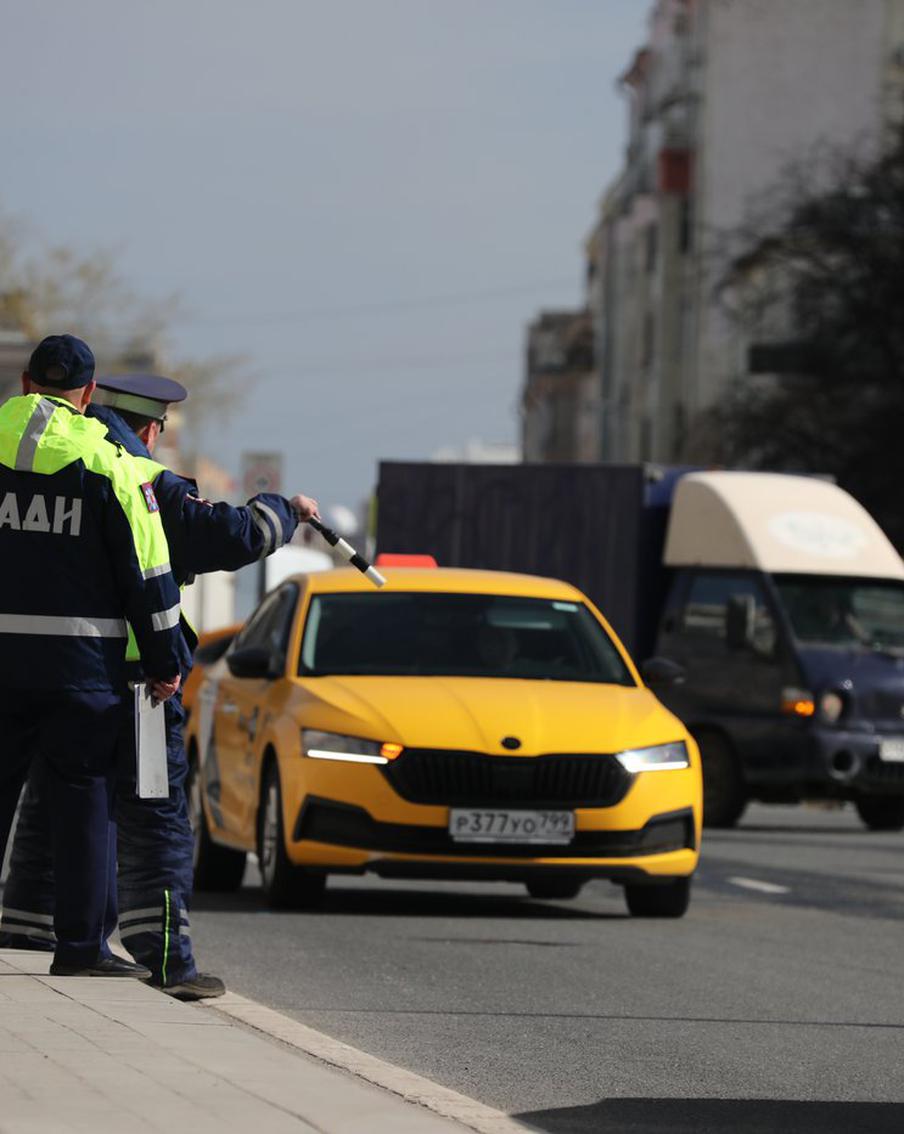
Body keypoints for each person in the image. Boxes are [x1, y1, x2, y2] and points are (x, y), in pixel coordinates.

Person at [1, 371, 319, 999]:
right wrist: (284, 510)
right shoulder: (137, 476)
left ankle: (30, 924)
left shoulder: (56, 463)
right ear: (152, 426)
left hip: (57, 674)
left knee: (56, 801)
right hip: (141, 683)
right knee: (155, 814)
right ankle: (168, 957)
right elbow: (227, 536)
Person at [0, 336, 183, 978]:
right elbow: (148, 573)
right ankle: (79, 951)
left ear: (24, 384)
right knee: (83, 801)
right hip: (83, 672)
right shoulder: (110, 466)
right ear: (86, 394)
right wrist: (164, 660)